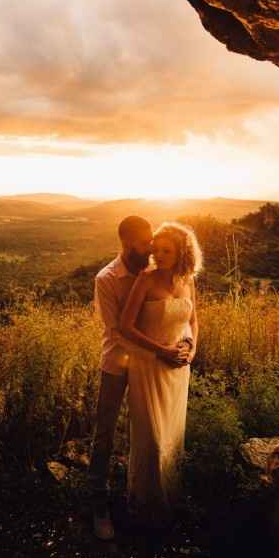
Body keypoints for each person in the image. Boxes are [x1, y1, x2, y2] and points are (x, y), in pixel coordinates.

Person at [89, 216, 192, 540]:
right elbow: (117, 332)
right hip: (120, 362)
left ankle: (149, 492)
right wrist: (159, 354)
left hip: (156, 364)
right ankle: (98, 505)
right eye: (144, 243)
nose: (151, 248)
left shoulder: (158, 271)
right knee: (105, 432)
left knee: (152, 430)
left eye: (154, 242)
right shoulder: (107, 279)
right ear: (126, 244)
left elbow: (184, 315)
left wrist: (182, 344)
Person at [119, 221, 202, 530]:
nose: (160, 254)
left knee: (171, 434)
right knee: (151, 439)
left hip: (179, 368)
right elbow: (126, 326)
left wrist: (190, 349)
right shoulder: (146, 280)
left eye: (168, 250)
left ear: (182, 252)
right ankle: (143, 506)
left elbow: (193, 321)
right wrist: (160, 352)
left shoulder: (188, 280)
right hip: (149, 365)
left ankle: (170, 499)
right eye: (158, 249)